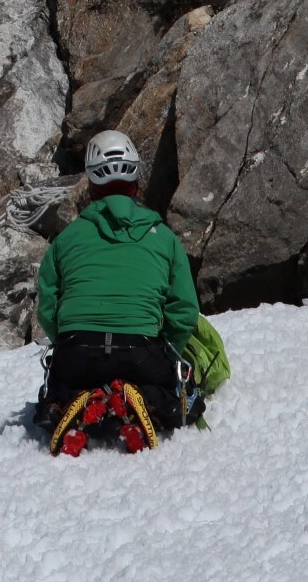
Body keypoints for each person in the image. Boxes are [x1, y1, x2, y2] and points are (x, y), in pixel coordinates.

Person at [35, 130, 201, 445]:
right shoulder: (163, 237)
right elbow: (184, 310)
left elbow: (47, 305)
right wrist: (168, 348)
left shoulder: (67, 239)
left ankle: (68, 402)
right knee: (178, 396)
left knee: (64, 383)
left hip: (77, 351)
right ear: (136, 178)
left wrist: (66, 339)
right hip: (140, 351)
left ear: (91, 184)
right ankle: (145, 400)